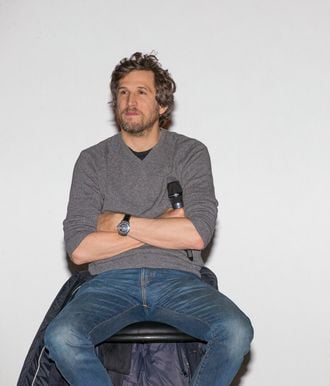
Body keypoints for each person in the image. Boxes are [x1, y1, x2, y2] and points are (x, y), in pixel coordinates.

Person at [44, 52, 253, 386]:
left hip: (178, 281)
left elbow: (197, 234)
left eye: (142, 92)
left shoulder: (190, 152)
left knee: (236, 332)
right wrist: (165, 222)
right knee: (62, 337)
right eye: (123, 92)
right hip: (108, 283)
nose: (130, 100)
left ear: (163, 105)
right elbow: (80, 250)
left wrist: (117, 221)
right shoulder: (93, 160)